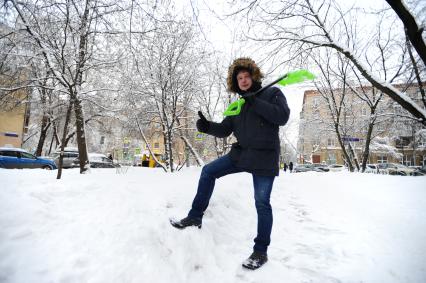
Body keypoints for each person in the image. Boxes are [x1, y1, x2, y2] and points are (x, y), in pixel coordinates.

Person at [170, 57, 290, 270]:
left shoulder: (273, 93)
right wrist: (207, 126)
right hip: (241, 154)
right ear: (236, 83)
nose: (243, 80)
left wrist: (255, 101)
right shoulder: (238, 105)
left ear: (254, 76)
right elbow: (225, 130)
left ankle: (260, 251)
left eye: (246, 76)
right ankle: (195, 216)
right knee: (208, 171)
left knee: (262, 203)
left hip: (264, 157)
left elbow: (282, 117)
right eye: (239, 78)